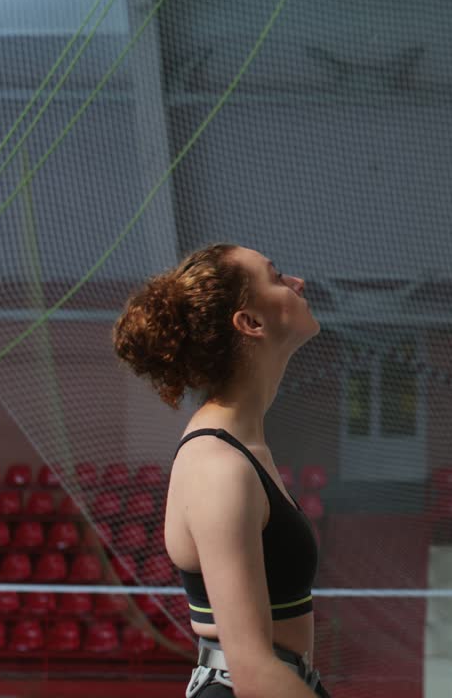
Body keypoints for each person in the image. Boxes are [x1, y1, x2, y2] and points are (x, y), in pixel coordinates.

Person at [113, 244, 328, 697]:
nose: (298, 283)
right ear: (250, 323)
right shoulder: (219, 467)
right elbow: (252, 671)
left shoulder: (242, 450)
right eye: (277, 277)